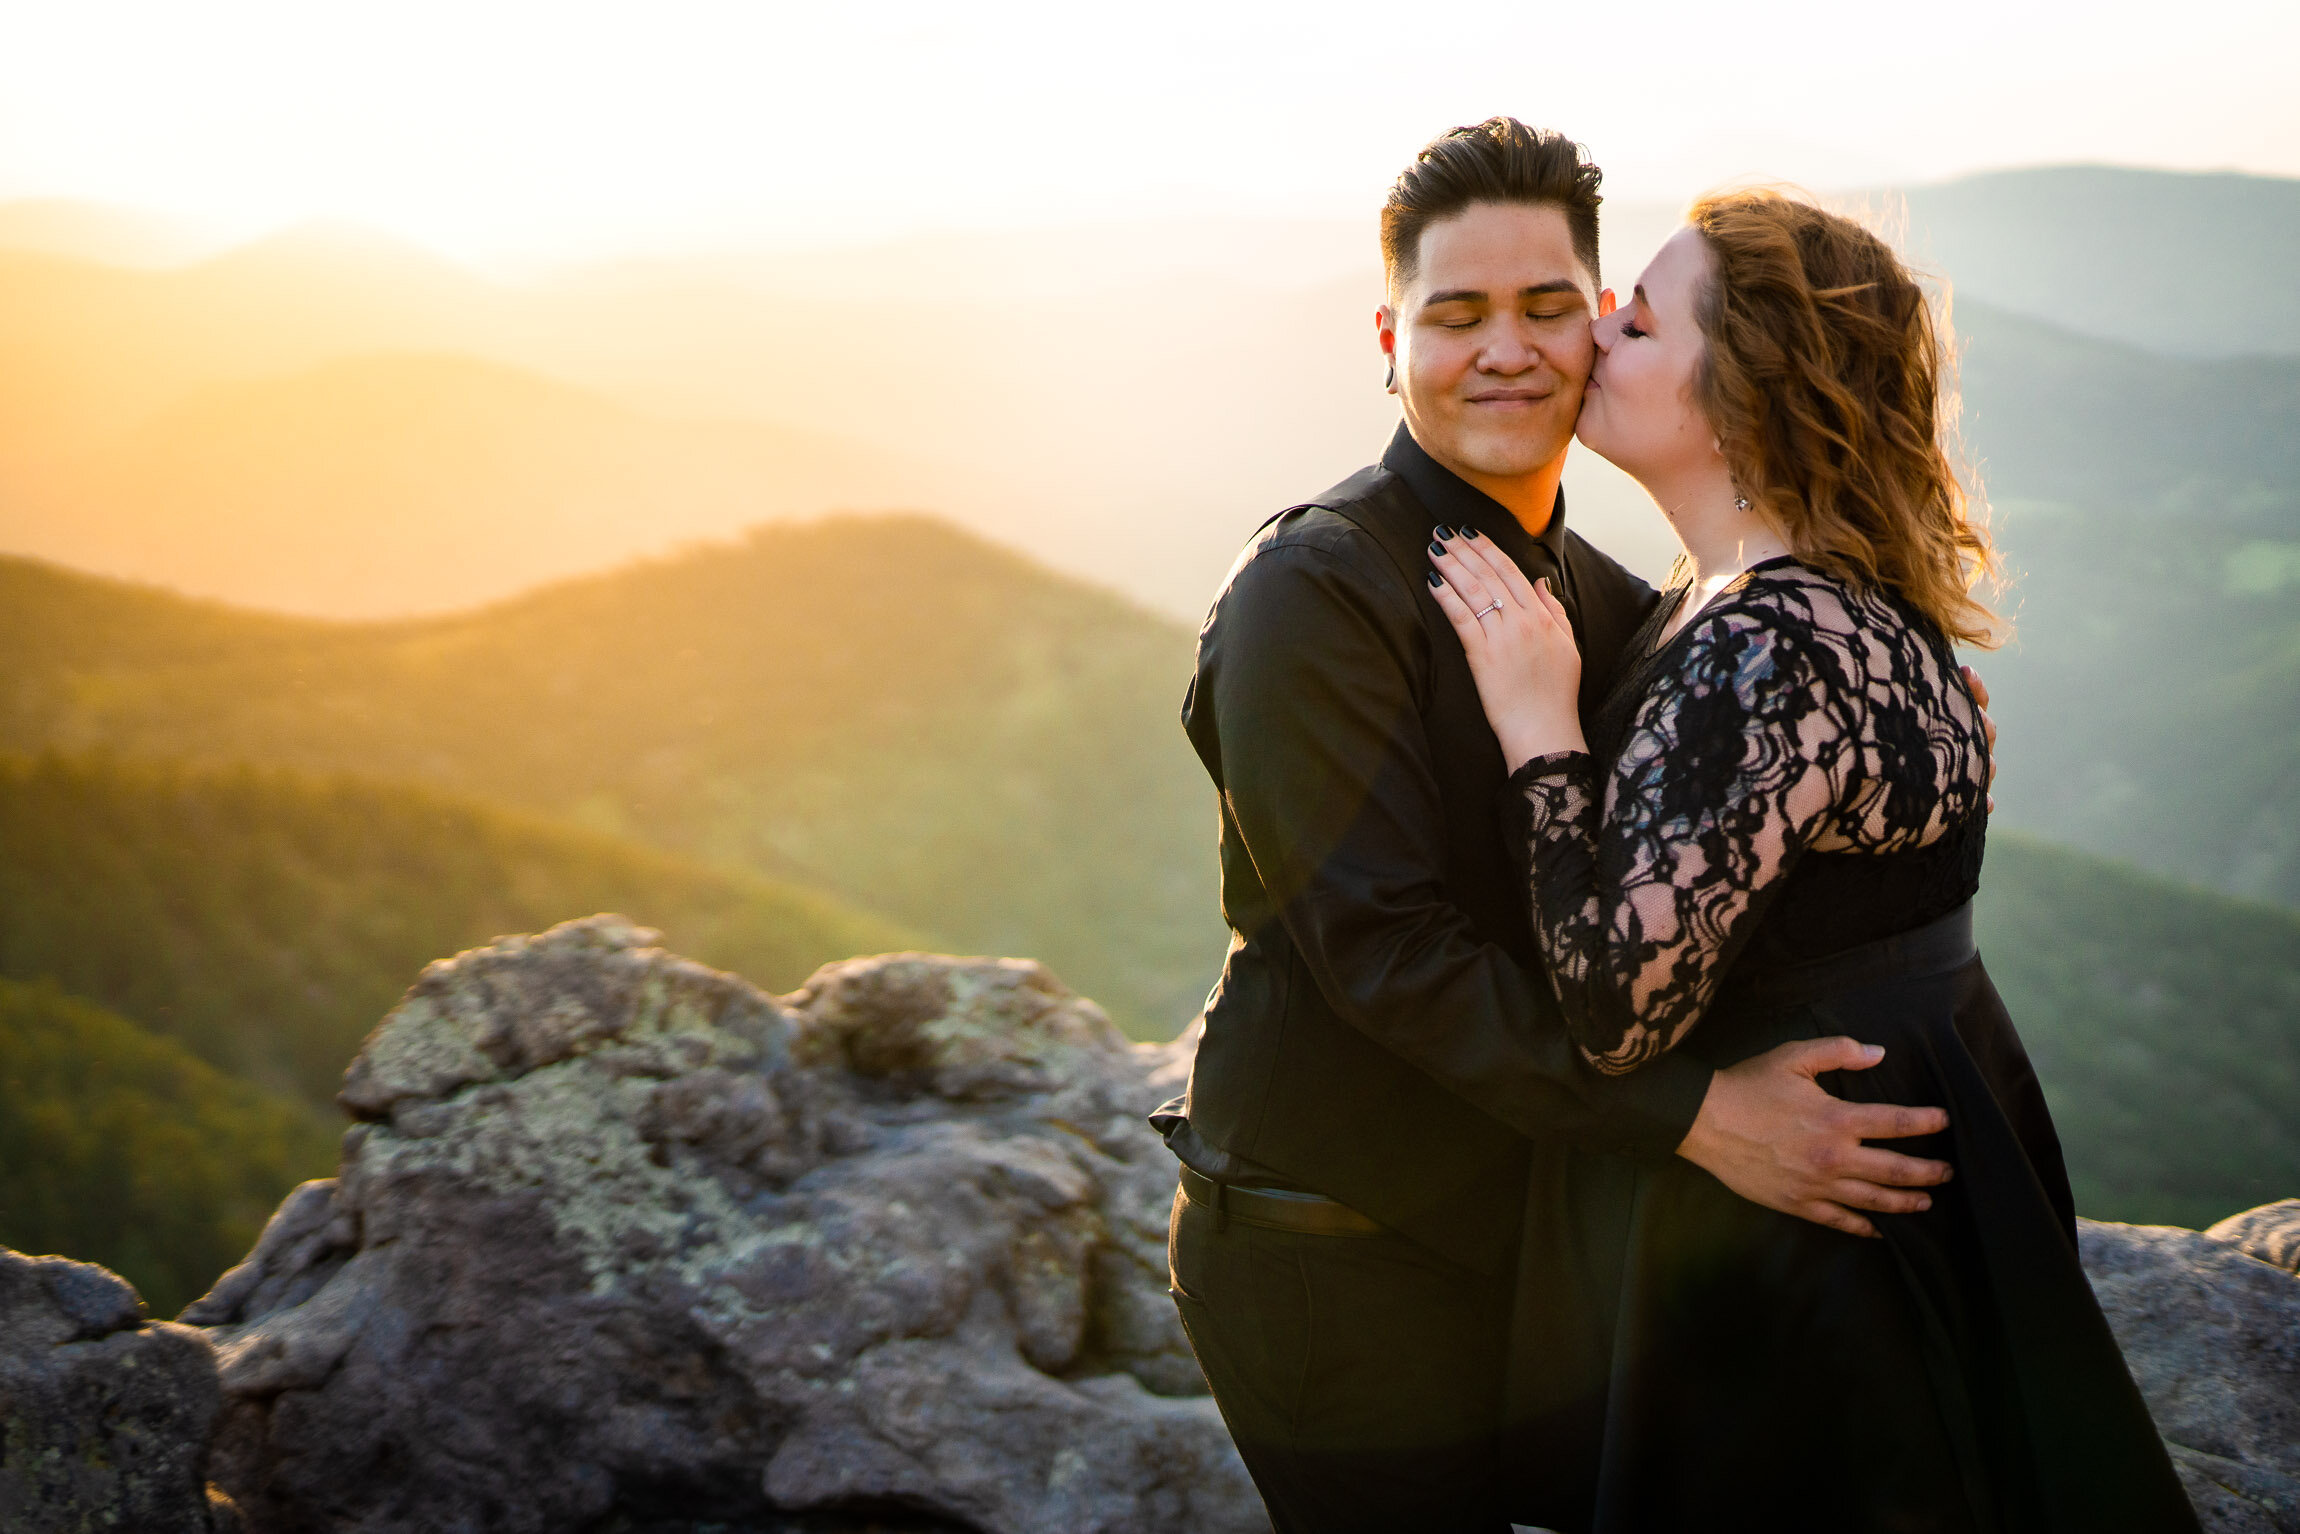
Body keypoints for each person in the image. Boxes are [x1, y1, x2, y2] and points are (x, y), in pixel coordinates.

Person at [1157, 119, 1982, 1532]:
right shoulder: (1319, 591)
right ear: (1388, 335)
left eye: (1550, 307)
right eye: (1456, 313)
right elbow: (1384, 953)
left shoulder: (1611, 602)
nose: (1508, 348)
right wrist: (1700, 1119)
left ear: (1599, 325)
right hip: (1336, 1243)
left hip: (1529, 1238)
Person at [1425, 189, 2197, 1531]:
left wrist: (1541, 732)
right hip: (1882, 1200)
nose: (1600, 332)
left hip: (1807, 1262)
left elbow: (1614, 1008)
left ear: (1746, 394)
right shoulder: (1813, 608)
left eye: (1643, 320)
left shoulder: (1766, 645)